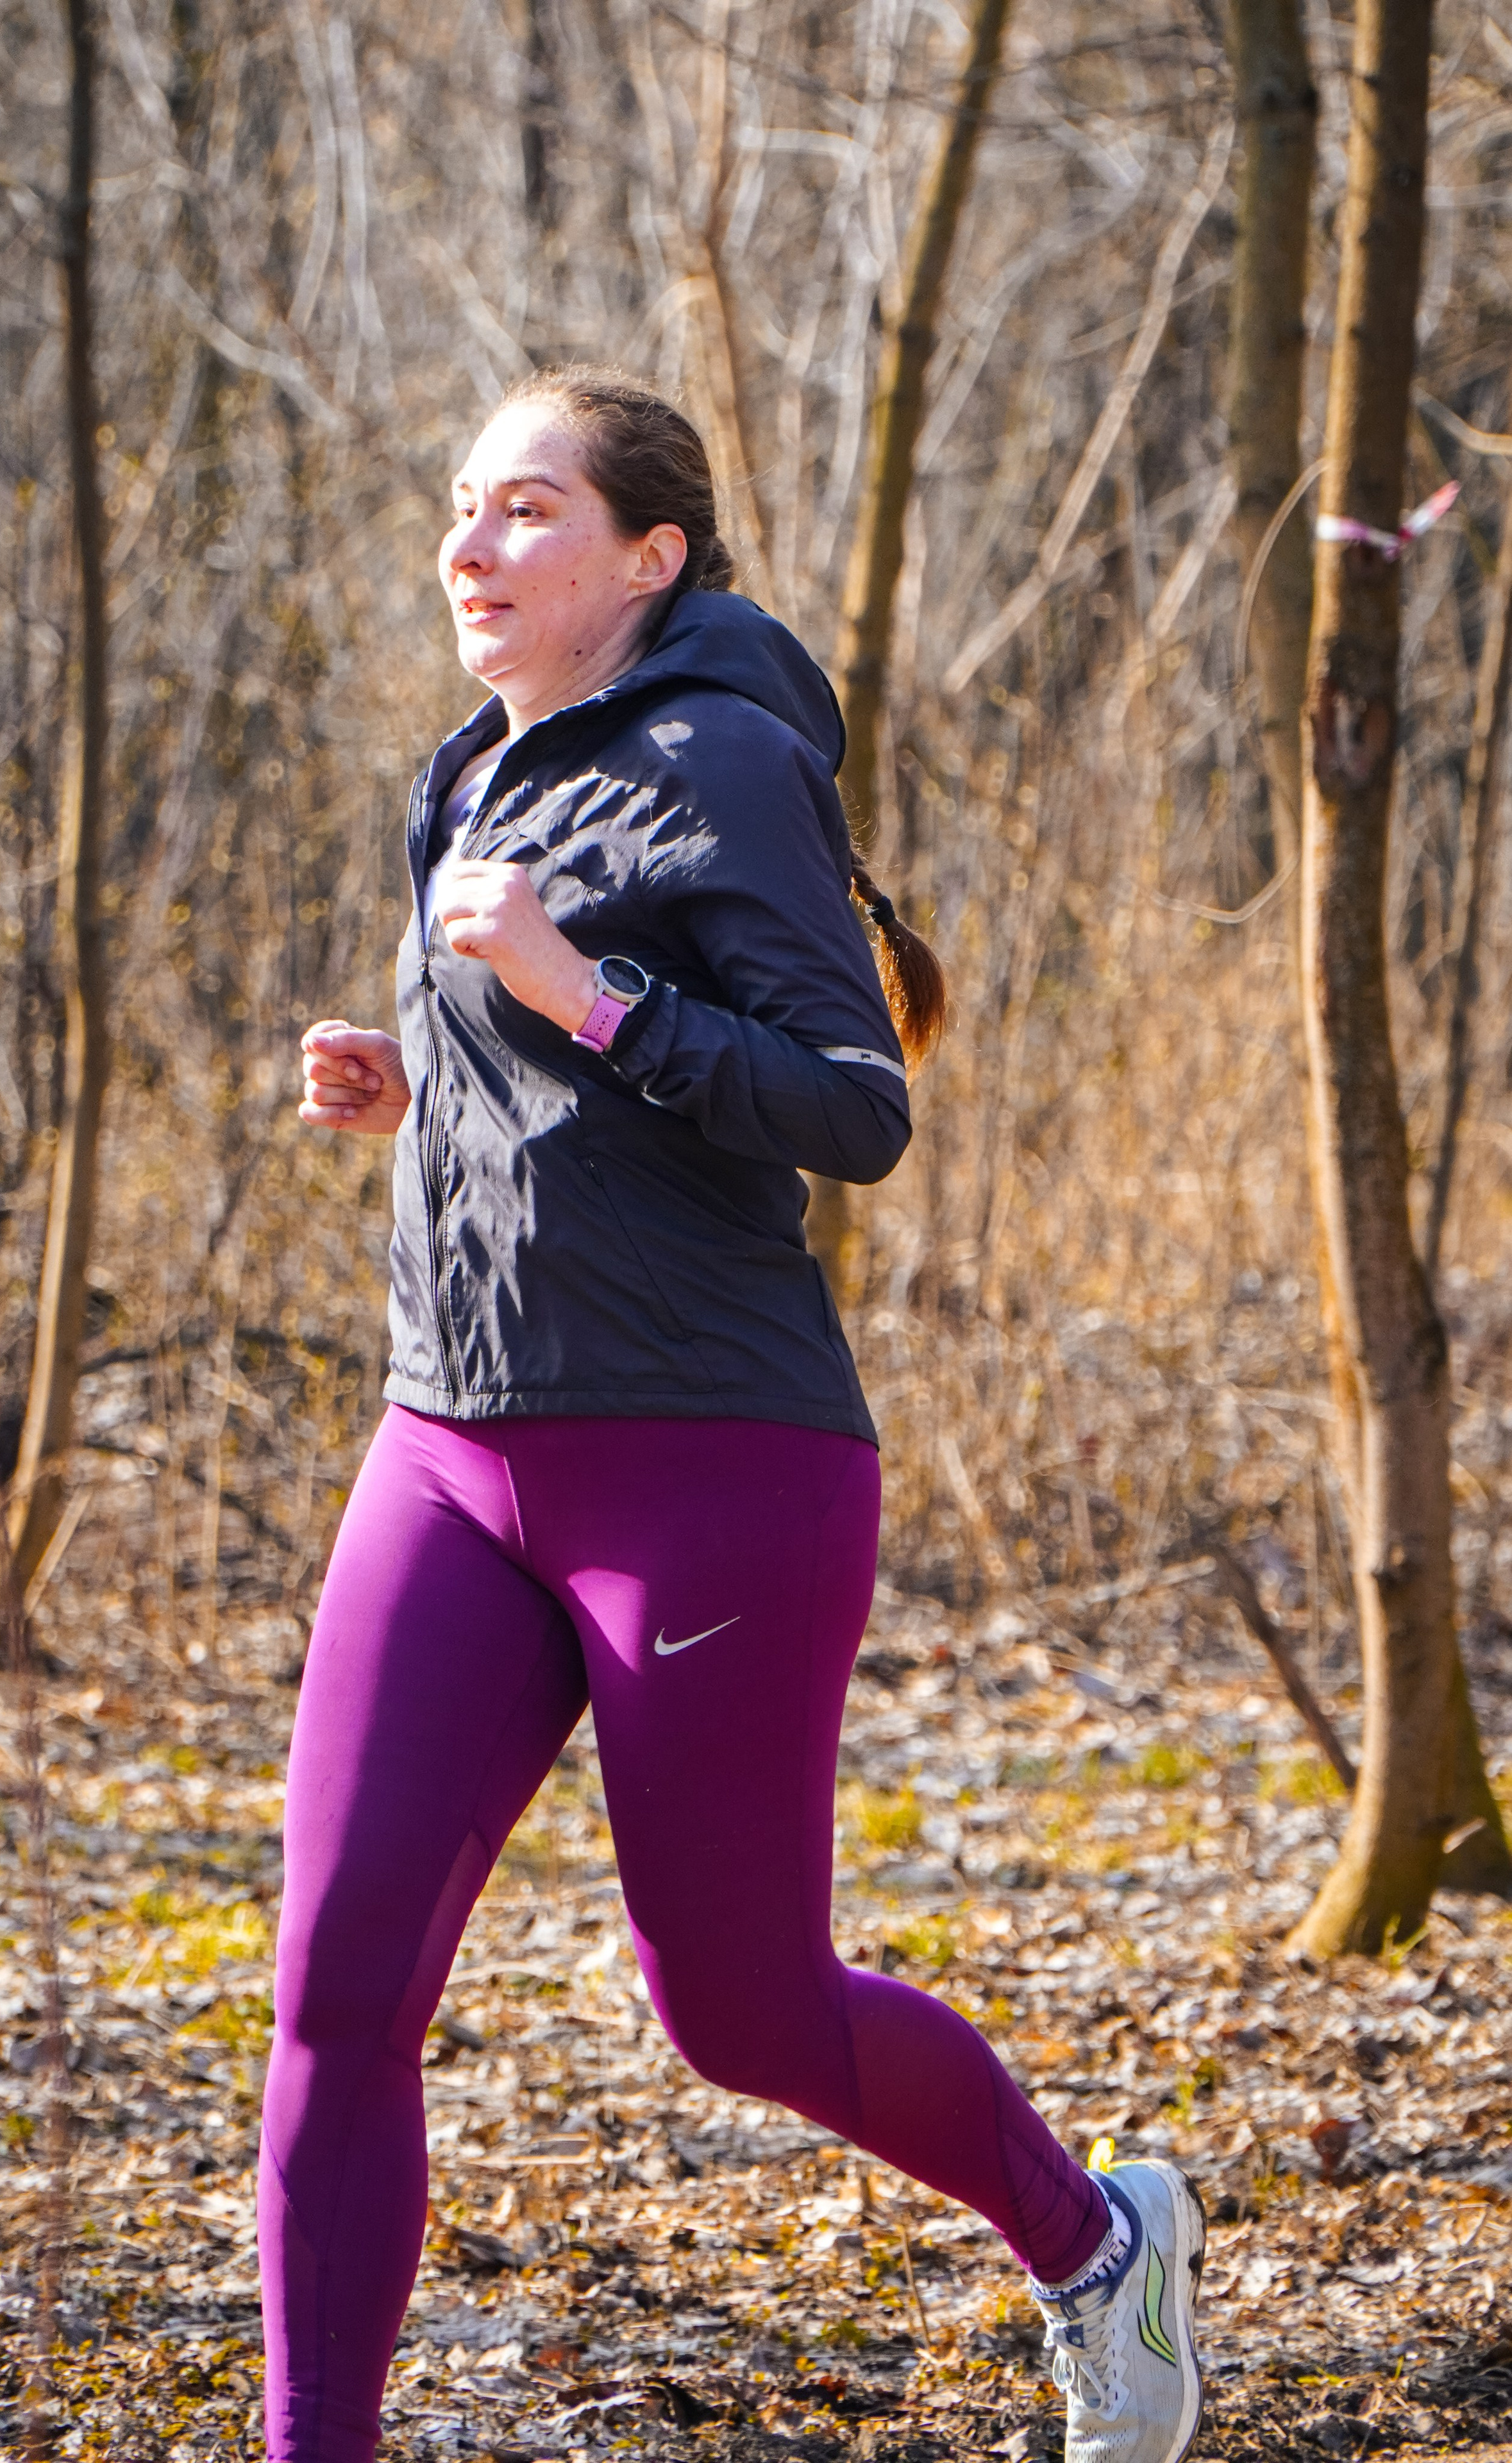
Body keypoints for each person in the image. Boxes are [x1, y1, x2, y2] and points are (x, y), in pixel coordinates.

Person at [269, 366, 1205, 2463]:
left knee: (740, 2011)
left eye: (524, 512)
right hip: (448, 1440)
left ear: (649, 556)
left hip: (704, 1461)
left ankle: (1094, 2247)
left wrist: (582, 996)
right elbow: (577, 1090)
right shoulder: (475, 772)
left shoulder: (726, 761)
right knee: (334, 1993)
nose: (468, 547)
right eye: (460, 509)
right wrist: (422, 1083)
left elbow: (852, 1109)